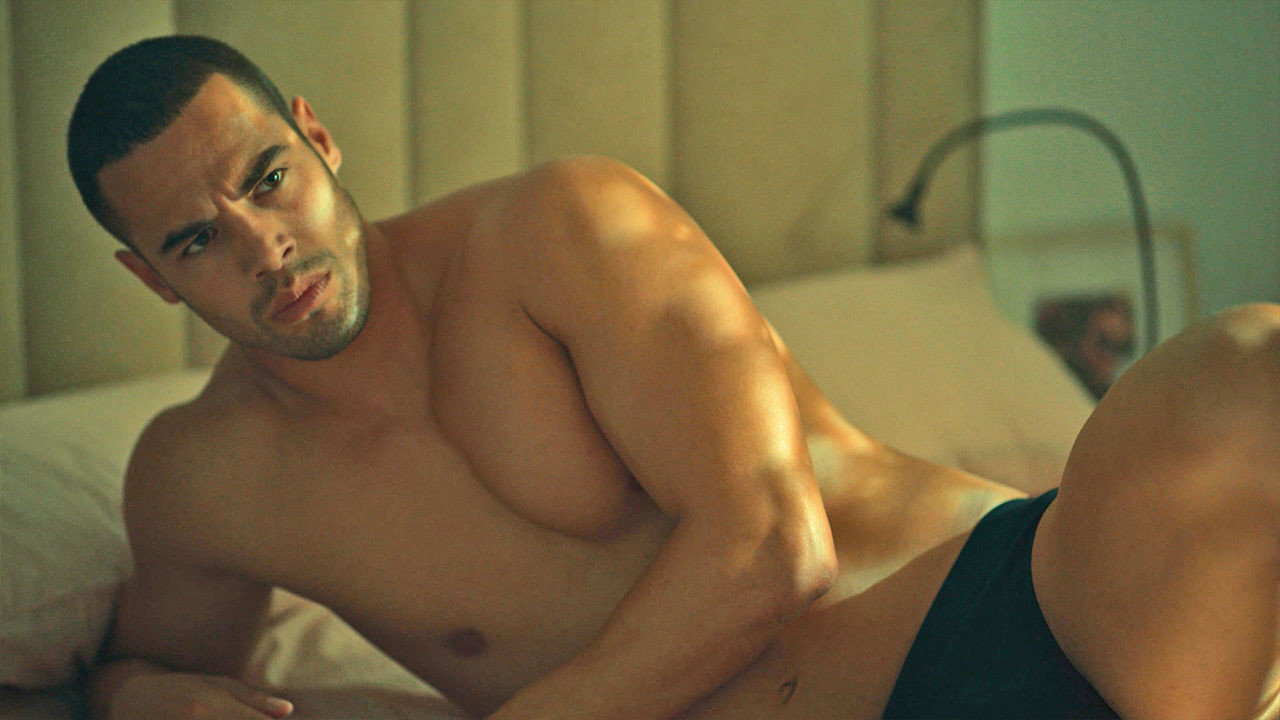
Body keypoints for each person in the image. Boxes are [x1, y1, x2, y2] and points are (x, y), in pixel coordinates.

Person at [68, 35, 1278, 720]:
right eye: (196, 239)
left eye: (268, 178)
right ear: (148, 276)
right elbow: (141, 668)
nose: (262, 247)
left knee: (1243, 382)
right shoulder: (204, 483)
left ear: (319, 139)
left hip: (1004, 619)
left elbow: (772, 555)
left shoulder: (557, 229)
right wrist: (138, 699)